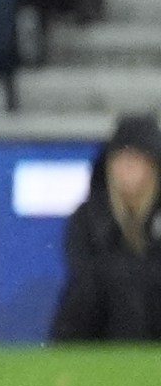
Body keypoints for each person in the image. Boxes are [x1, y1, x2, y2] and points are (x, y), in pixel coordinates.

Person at [50, 113, 161, 341]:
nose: (128, 168)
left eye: (137, 159)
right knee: (90, 291)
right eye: (122, 159)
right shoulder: (88, 217)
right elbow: (83, 272)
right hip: (103, 321)